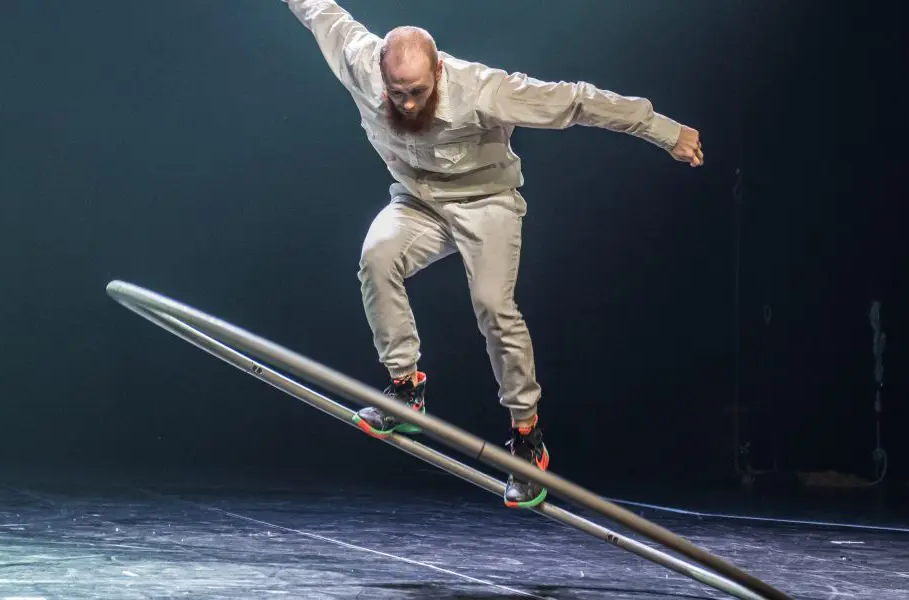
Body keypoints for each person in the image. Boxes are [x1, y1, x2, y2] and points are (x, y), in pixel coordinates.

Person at [282, 0, 704, 509]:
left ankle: (527, 437)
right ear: (380, 75)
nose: (409, 105)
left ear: (438, 71)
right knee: (376, 257)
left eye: (418, 92)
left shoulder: (483, 90)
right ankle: (405, 387)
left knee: (492, 305)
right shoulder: (358, 60)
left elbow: (576, 102)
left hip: (488, 204)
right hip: (418, 202)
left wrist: (663, 129)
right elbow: (318, 10)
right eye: (398, 94)